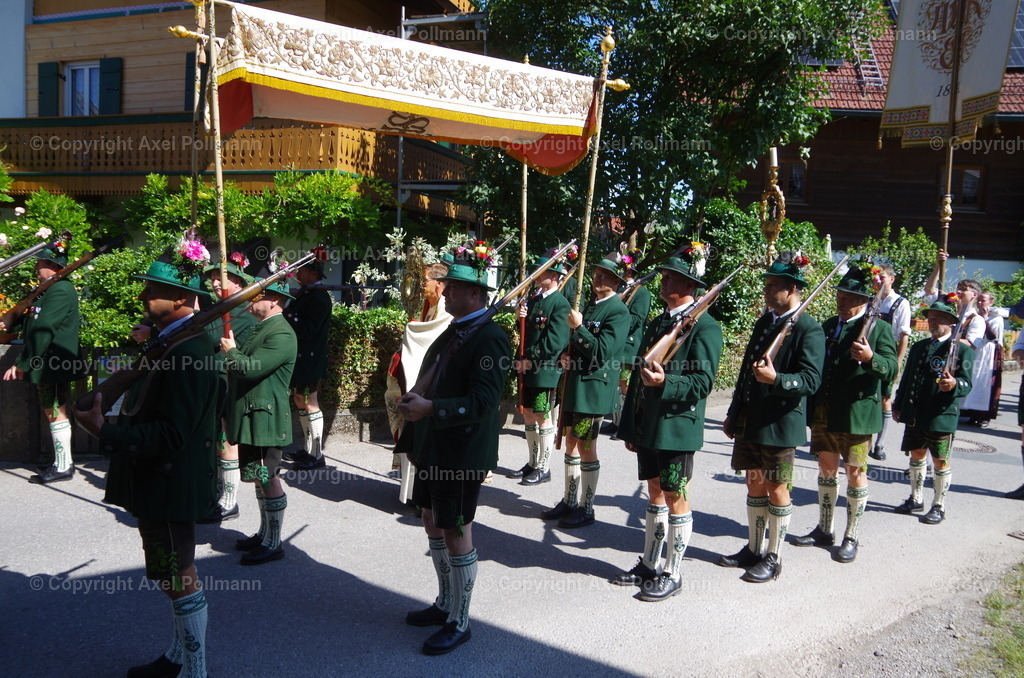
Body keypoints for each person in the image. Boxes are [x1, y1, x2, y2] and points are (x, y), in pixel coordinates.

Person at [77, 256, 220, 678]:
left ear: (181, 298)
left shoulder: (190, 351)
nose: (143, 296)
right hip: (156, 480)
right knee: (165, 572)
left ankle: (196, 670)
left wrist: (106, 432)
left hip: (170, 482)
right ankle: (178, 656)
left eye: (152, 291)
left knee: (179, 574)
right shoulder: (170, 343)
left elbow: (173, 434)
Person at [395, 252, 512, 656]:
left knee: (457, 529)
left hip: (461, 452)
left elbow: (483, 403)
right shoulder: (453, 331)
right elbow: (435, 378)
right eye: (447, 284)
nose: (445, 291)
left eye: (456, 287)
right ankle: (445, 602)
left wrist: (431, 409)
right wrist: (418, 403)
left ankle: (460, 620)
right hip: (434, 445)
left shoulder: (491, 338)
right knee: (431, 520)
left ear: (476, 294)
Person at [614, 253, 721, 601]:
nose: (664, 280)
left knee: (677, 496)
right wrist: (632, 427)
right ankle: (649, 563)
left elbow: (703, 382)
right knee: (655, 490)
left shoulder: (706, 327)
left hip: (676, 427)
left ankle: (673, 572)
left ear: (689, 286)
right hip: (651, 424)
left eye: (671, 277)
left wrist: (666, 383)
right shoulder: (662, 322)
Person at [718, 251, 824, 583]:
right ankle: (753, 547)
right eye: (766, 284)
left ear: (792, 288)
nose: (766, 290)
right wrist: (734, 413)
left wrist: (777, 380)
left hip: (781, 423)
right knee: (754, 484)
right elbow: (746, 375)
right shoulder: (766, 322)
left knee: (777, 488)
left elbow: (810, 380)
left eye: (773, 285)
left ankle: (774, 556)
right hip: (752, 420)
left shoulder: (809, 329)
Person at [792, 266, 897, 564]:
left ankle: (852, 535)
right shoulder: (827, 326)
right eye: (839, 295)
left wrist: (871, 358)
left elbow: (891, 368)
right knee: (826, 468)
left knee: (855, 473)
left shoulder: (879, 328)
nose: (841, 301)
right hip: (824, 409)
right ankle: (825, 529)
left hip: (857, 414)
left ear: (863, 300)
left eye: (848, 297)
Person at [542, 252, 630, 528]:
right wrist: (565, 357)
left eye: (604, 275)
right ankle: (569, 500)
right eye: (596, 273)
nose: (597, 277)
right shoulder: (592, 307)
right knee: (570, 442)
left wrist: (579, 328)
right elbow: (577, 344)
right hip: (575, 384)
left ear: (616, 282)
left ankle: (587, 506)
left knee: (586, 446)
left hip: (592, 389)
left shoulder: (618, 311)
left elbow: (603, 351)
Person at [222, 278, 297, 565]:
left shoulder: (282, 333)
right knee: (259, 477)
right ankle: (264, 533)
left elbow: (250, 369)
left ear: (274, 301)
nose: (251, 302)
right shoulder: (264, 327)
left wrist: (231, 352)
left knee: (269, 478)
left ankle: (274, 542)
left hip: (266, 416)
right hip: (254, 414)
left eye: (257, 297)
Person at [1, 244, 85, 484]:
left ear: (53, 267)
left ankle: (63, 466)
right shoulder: (47, 289)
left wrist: (23, 363)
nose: (37, 268)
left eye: (40, 264)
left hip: (53, 363)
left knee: (55, 410)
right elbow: (32, 318)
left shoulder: (60, 290)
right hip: (48, 361)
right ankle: (61, 461)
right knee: (53, 410)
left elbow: (43, 329)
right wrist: (10, 323)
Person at [892, 296, 974, 524]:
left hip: (941, 414)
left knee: (940, 460)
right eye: (930, 317)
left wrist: (954, 384)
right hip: (916, 412)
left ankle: (939, 505)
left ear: (950, 321)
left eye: (937, 318)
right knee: (916, 454)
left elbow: (968, 383)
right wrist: (899, 404)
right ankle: (916, 498)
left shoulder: (962, 350)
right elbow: (907, 378)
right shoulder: (919, 347)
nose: (932, 322)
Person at [385, 261, 452, 505]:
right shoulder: (430, 304)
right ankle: (413, 492)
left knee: (424, 437)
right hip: (422, 380)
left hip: (433, 384)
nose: (421, 286)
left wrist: (410, 329)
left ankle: (423, 494)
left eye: (425, 281)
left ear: (439, 284)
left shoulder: (445, 307)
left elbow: (430, 337)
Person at [196, 254, 257, 524]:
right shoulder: (223, 308)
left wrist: (198, 314)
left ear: (236, 281)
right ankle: (218, 493)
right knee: (218, 440)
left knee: (226, 440)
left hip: (231, 382)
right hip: (217, 379)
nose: (215, 285)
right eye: (212, 281)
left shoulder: (241, 311)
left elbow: (208, 336)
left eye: (221, 280)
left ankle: (229, 501)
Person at [508, 251, 571, 486]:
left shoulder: (560, 304)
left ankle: (544, 467)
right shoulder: (534, 299)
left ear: (554, 276)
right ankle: (532, 462)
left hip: (544, 370)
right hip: (528, 367)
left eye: (541, 271)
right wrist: (519, 316)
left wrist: (530, 359)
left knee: (542, 417)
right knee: (527, 413)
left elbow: (555, 342)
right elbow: (527, 331)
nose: (535, 275)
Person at [282, 260, 332, 470]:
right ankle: (307, 449)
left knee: (309, 401)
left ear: (313, 274)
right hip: (302, 358)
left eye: (301, 271)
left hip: (310, 358)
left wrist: (287, 314)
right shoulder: (307, 294)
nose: (297, 274)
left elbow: (307, 330)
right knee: (300, 400)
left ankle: (316, 453)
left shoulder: (319, 298)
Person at [871, 263, 912, 461]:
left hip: (888, 355)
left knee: (885, 398)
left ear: (891, 279)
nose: (877, 281)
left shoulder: (900, 303)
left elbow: (904, 336)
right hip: (869, 352)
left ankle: (880, 443)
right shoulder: (872, 300)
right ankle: (865, 439)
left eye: (881, 277)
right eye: (875, 278)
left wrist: (897, 363)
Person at [608, 249, 651, 436]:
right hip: (615, 344)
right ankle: (616, 422)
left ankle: (624, 424)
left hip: (628, 346)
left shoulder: (641, 293)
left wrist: (616, 320)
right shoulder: (617, 290)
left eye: (626, 270)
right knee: (616, 385)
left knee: (624, 385)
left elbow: (637, 319)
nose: (624, 273)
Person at [960, 291, 1003, 427]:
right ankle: (973, 413)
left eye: (983, 301)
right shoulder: (975, 316)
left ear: (990, 303)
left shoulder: (997, 318)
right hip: (978, 351)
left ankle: (985, 415)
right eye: (978, 300)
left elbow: (992, 336)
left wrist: (985, 319)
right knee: (975, 380)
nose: (980, 303)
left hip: (990, 352)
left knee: (986, 383)